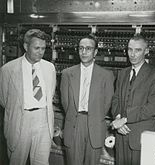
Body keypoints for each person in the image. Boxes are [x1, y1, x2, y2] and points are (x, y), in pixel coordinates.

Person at [0, 29, 56, 165]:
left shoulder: (50, 68)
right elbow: (3, 100)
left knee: (42, 162)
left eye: (43, 48)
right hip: (21, 120)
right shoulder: (8, 69)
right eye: (36, 48)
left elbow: (51, 94)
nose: (41, 52)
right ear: (26, 46)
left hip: (43, 120)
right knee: (17, 161)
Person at [60, 34, 114, 165]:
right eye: (81, 48)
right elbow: (65, 102)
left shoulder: (106, 75)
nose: (84, 52)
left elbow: (106, 104)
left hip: (95, 124)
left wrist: (94, 115)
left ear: (95, 52)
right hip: (74, 123)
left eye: (88, 48)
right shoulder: (67, 74)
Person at [111, 34, 155, 165]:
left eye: (138, 50)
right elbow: (116, 99)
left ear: (146, 51)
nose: (132, 54)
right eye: (130, 49)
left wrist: (124, 119)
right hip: (121, 135)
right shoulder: (122, 73)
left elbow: (153, 107)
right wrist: (118, 118)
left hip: (141, 138)